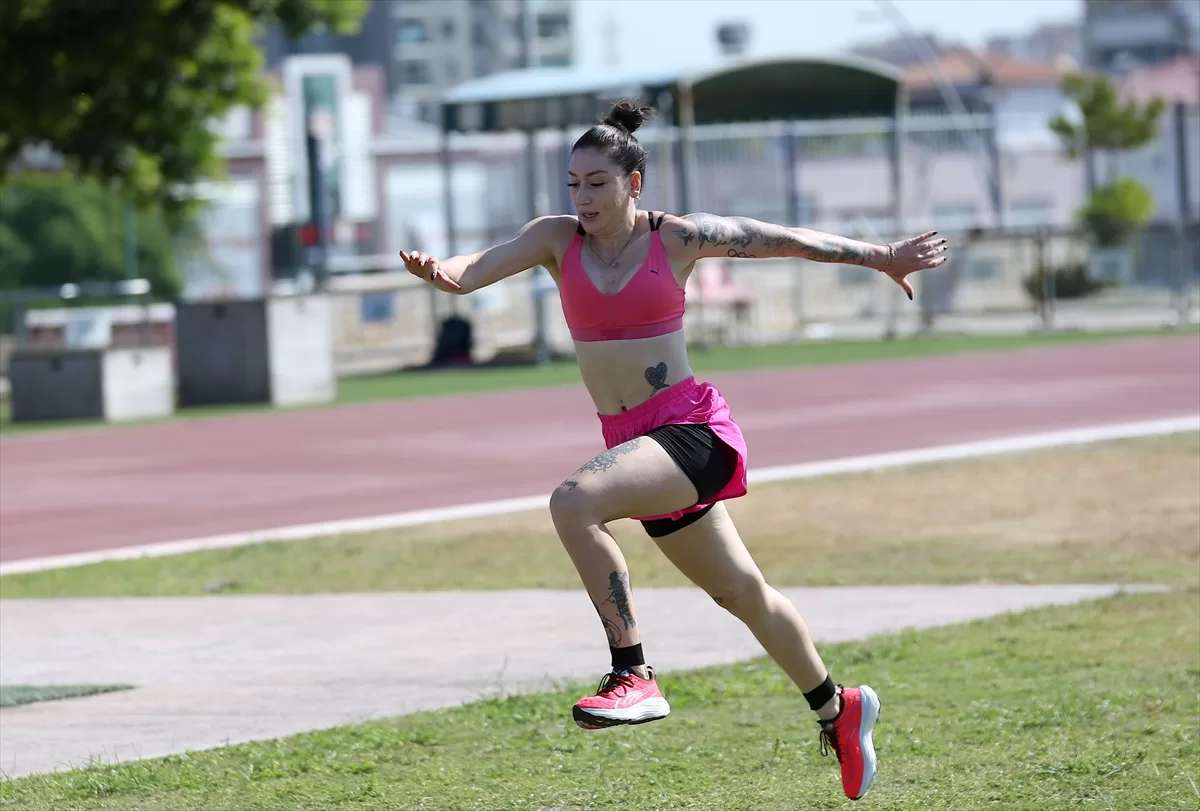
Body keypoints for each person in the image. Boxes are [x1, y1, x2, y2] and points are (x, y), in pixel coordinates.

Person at [401, 99, 948, 802]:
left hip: (691, 432)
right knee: (740, 592)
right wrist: (442, 271)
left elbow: (780, 239)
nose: (583, 197)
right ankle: (837, 708)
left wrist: (882, 256)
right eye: (574, 183)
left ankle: (632, 672)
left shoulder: (678, 238)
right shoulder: (556, 239)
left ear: (634, 183)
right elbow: (475, 267)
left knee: (573, 503)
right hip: (636, 447)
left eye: (598, 183)